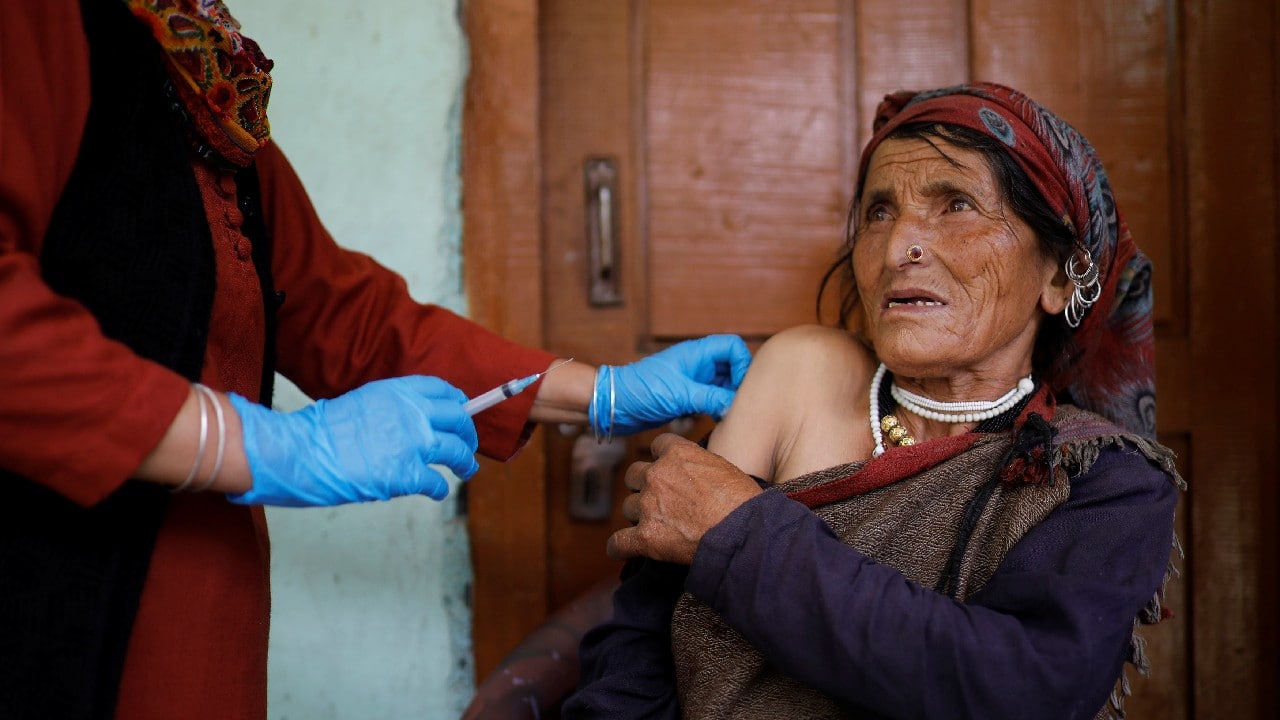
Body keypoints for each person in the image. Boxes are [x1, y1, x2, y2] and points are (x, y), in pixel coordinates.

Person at [0, 2, 751, 718]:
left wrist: (604, 393)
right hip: (57, 606)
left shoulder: (195, 69)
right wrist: (263, 444)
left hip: (203, 617)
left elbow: (341, 313)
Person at [563, 82, 1183, 719]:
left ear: (1058, 275)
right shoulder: (803, 374)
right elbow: (641, 639)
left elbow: (1024, 689)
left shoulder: (1105, 477)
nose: (896, 251)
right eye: (879, 212)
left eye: (957, 205)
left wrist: (738, 535)